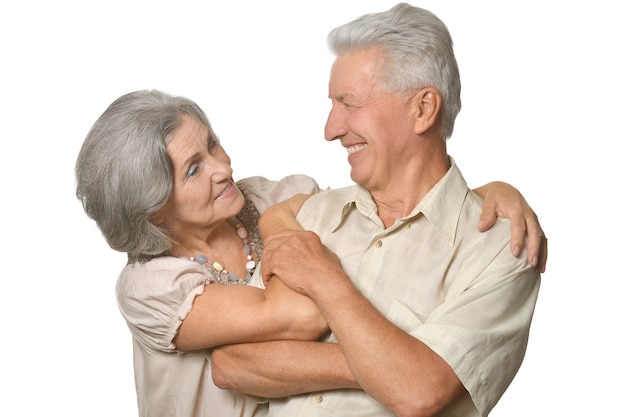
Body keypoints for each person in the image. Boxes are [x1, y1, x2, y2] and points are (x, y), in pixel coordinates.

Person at [75, 87, 543, 415]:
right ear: (154, 210)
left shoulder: (263, 198)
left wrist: (488, 191)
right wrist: (400, 370)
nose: (223, 168)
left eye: (213, 143)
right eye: (194, 170)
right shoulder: (150, 287)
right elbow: (303, 316)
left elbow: (385, 203)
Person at [210, 3, 543, 417]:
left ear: (422, 109)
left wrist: (325, 279)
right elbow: (230, 364)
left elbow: (418, 393)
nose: (330, 129)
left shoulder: (500, 249)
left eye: (349, 104)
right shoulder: (311, 216)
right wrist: (383, 364)